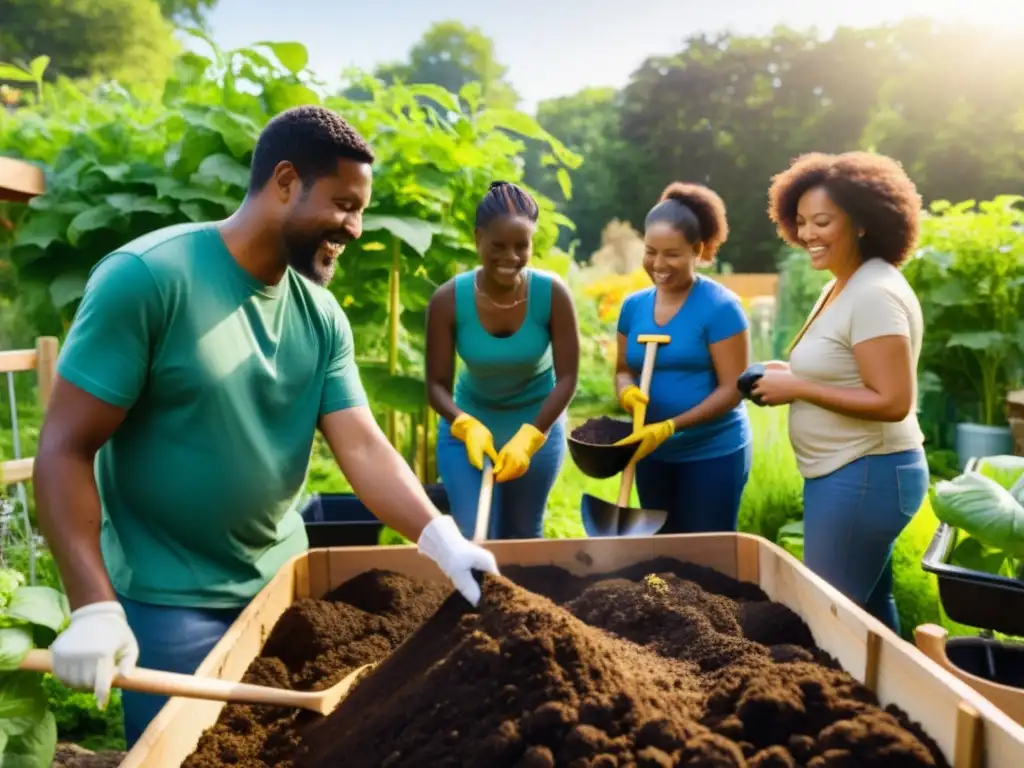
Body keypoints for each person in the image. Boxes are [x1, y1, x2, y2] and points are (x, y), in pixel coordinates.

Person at [32, 105, 498, 748]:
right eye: (343, 204)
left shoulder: (321, 314)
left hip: (285, 593)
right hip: (172, 604)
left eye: (360, 209)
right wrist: (92, 606)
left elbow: (361, 443)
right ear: (285, 182)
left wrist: (441, 539)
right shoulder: (148, 280)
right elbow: (63, 449)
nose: (355, 227)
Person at [752, 150, 928, 634]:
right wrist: (788, 371)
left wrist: (799, 386)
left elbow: (893, 401)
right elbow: (846, 368)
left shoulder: (874, 293)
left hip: (865, 473)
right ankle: (895, 704)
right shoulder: (844, 284)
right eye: (801, 221)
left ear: (864, 222)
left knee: (827, 619)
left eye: (823, 221)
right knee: (868, 611)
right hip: (852, 472)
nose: (807, 234)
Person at [425, 181, 579, 541]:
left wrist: (531, 436)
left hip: (537, 424)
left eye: (521, 246)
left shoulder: (552, 294)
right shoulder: (448, 300)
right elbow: (435, 386)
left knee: (524, 533)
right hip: (469, 428)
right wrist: (465, 425)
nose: (510, 257)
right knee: (475, 534)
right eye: (498, 245)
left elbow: (568, 378)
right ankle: (477, 598)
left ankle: (523, 600)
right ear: (478, 237)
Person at [613, 182, 752, 534]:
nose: (658, 264)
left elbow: (732, 390)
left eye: (672, 254)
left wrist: (672, 426)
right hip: (651, 453)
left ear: (698, 249)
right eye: (650, 251)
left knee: (705, 556)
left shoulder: (721, 309)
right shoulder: (633, 308)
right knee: (661, 552)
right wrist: (626, 392)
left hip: (712, 454)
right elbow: (622, 370)